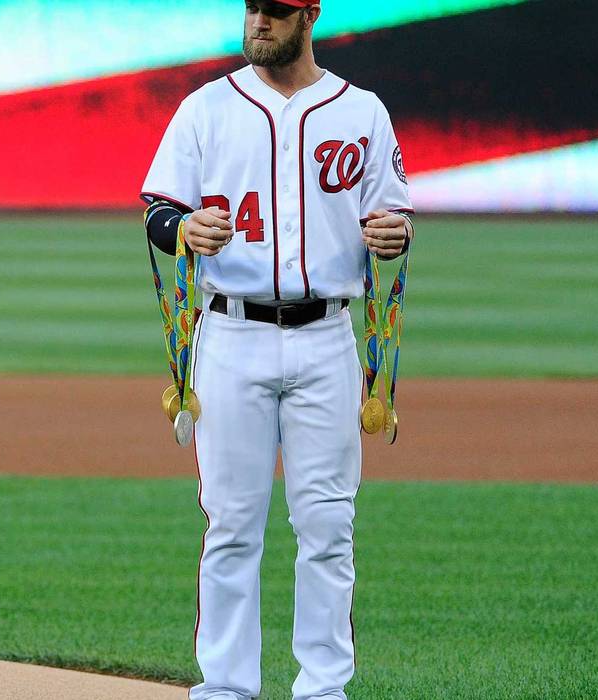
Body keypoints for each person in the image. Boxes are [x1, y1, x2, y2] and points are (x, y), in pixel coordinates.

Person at [140, 2, 414, 699]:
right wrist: (186, 229)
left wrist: (391, 237)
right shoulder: (206, 107)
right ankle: (225, 688)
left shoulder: (362, 111)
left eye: (277, 9)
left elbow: (392, 214)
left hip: (327, 338)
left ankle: (322, 689)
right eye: (253, 7)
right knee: (230, 524)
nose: (260, 19)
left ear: (310, 14)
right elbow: (157, 212)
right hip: (229, 336)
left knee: (327, 524)